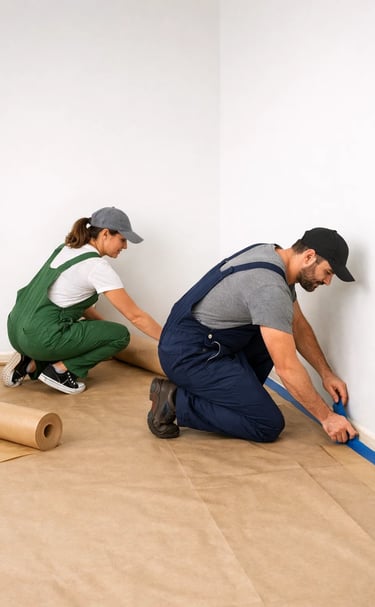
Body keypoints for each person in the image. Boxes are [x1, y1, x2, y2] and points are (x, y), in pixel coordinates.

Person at [147, 227, 358, 444]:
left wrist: (326, 373)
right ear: (309, 257)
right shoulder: (269, 287)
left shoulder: (273, 257)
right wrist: (327, 417)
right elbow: (286, 368)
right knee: (266, 423)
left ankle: (229, 396)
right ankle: (174, 400)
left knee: (278, 329)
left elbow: (297, 325)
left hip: (203, 341)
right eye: (328, 272)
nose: (328, 281)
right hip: (189, 353)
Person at [2, 206, 162, 395]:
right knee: (121, 335)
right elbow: (136, 316)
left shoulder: (66, 249)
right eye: (123, 239)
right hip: (39, 337)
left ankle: (29, 363)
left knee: (101, 331)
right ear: (105, 234)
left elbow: (77, 303)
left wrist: (103, 333)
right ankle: (60, 371)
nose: (125, 246)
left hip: (16, 329)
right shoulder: (96, 266)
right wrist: (168, 339)